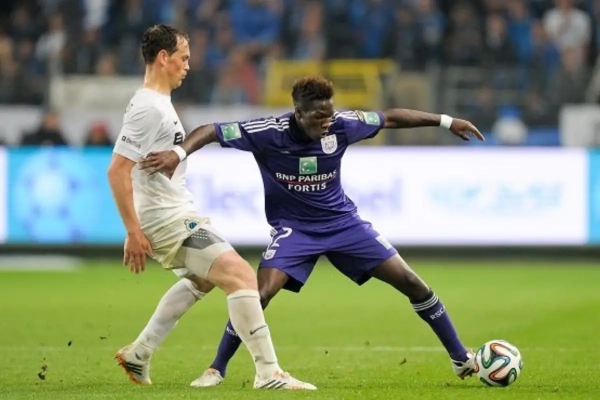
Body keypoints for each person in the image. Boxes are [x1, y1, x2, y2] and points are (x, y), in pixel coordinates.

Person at [140, 76, 485, 388]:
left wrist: (446, 121)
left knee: (412, 282)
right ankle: (217, 368)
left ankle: (459, 357)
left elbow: (390, 118)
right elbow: (211, 130)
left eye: (329, 115)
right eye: (319, 117)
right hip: (295, 231)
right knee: (257, 294)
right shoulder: (268, 132)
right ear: (298, 113)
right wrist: (178, 153)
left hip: (344, 224)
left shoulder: (342, 125)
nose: (326, 122)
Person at [107, 24, 315, 391]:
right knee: (241, 275)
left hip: (172, 213)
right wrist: (133, 230)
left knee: (204, 278)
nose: (188, 65)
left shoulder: (156, 103)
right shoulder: (148, 108)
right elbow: (117, 170)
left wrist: (138, 225)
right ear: (163, 58)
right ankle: (269, 373)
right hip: (168, 219)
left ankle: (140, 352)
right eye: (183, 58)